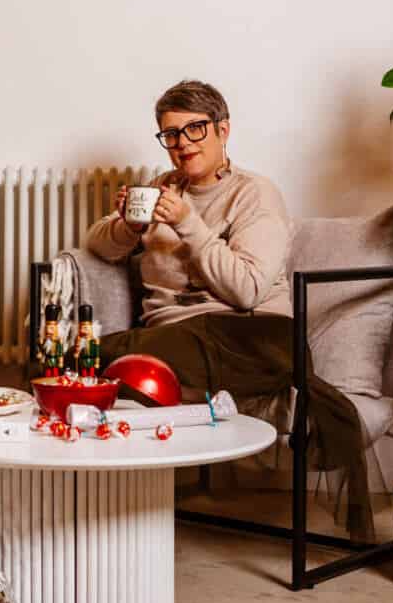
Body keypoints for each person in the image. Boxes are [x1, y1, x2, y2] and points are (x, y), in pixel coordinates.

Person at [85, 79, 373, 541]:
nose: (181, 144)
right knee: (72, 360)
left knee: (99, 357)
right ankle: (86, 512)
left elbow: (247, 290)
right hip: (177, 340)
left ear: (223, 130)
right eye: (171, 134)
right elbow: (96, 244)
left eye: (194, 129)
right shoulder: (163, 189)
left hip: (252, 337)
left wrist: (189, 224)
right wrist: (128, 224)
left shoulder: (255, 194)